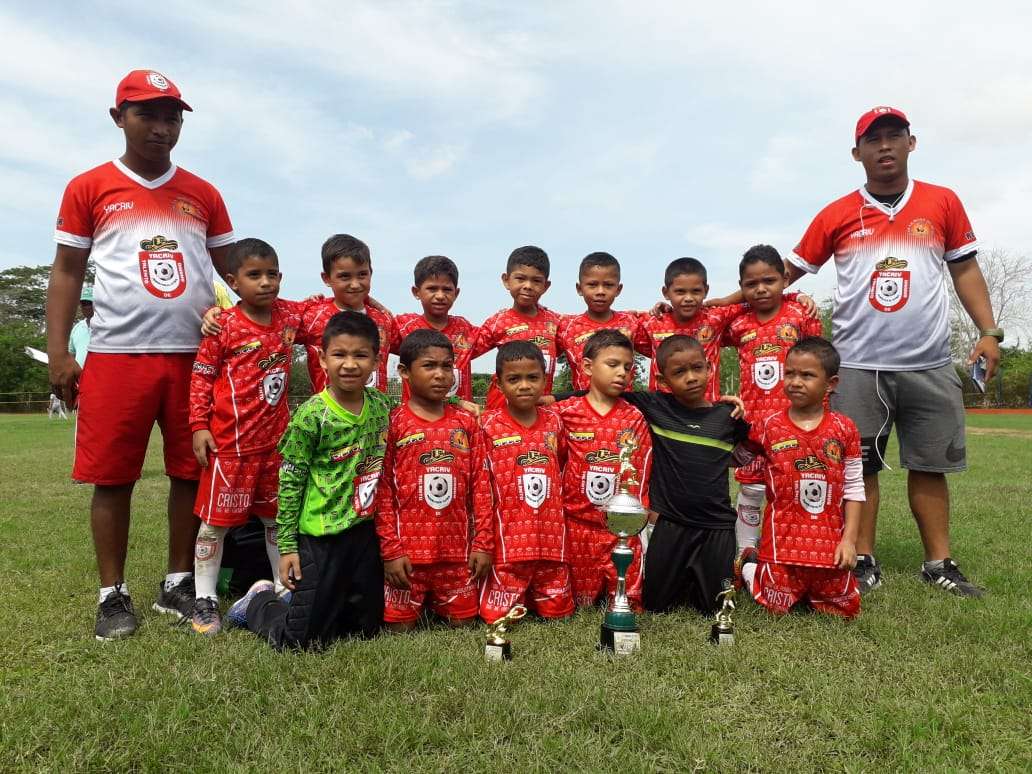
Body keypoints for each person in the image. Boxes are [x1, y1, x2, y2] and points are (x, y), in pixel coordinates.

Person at [45, 69, 235, 640]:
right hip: (116, 355)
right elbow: (66, 271)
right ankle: (113, 594)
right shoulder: (90, 186)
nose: (160, 127)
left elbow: (236, 272)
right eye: (146, 114)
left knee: (190, 472)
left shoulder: (203, 193)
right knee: (113, 477)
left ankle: (178, 582)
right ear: (118, 118)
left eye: (171, 116)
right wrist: (59, 351)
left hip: (194, 358)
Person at [789, 107, 999, 596]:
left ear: (911, 143)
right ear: (856, 152)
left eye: (894, 136)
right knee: (858, 467)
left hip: (927, 362)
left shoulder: (942, 201)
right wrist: (722, 302)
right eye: (873, 139)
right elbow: (788, 271)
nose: (885, 146)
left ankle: (938, 563)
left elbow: (964, 271)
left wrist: (989, 331)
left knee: (929, 465)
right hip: (857, 366)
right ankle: (862, 559)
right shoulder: (837, 212)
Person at [226, 311, 391, 648]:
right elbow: (290, 482)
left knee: (364, 631)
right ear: (322, 358)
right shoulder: (312, 415)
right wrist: (287, 546)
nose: (349, 364)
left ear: (376, 360)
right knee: (299, 642)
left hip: (363, 533)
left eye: (360, 355)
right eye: (339, 355)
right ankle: (258, 600)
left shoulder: (381, 405)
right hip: (320, 536)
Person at [187, 238, 312, 635]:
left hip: (276, 448)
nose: (265, 282)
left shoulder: (290, 318)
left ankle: (283, 588)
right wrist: (199, 426)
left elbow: (328, 309)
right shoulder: (223, 324)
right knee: (214, 526)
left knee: (276, 520)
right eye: (254, 275)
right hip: (231, 447)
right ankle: (205, 599)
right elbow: (202, 377)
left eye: (272, 274)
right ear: (233, 281)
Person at [736, 337, 864, 619]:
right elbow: (738, 456)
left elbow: (854, 488)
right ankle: (749, 564)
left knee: (843, 610)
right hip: (781, 546)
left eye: (807, 375)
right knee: (774, 608)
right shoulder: (768, 426)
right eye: (790, 373)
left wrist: (849, 541)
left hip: (828, 548)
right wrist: (724, 420)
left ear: (831, 384)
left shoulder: (845, 429)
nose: (795, 381)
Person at [376, 330, 493, 631]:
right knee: (398, 629)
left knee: (464, 624)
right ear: (404, 372)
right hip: (407, 559)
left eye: (447, 366)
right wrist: (391, 551)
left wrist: (482, 543)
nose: (441, 375)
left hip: (456, 557)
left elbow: (481, 484)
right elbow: (383, 491)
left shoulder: (466, 423)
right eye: (429, 366)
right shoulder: (393, 423)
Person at [722, 246, 823, 557]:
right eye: (751, 284)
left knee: (793, 485)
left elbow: (818, 364)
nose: (761, 289)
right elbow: (701, 326)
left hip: (794, 422)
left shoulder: (800, 313)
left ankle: (793, 547)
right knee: (751, 488)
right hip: (752, 424)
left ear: (785, 279)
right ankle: (746, 552)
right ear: (741, 289)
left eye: (769, 280)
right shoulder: (737, 322)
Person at [477, 341, 574, 623]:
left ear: (545, 379)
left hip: (551, 541)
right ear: (498, 383)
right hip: (507, 544)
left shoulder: (555, 422)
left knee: (559, 616)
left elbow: (563, 464)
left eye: (533, 378)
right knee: (496, 617)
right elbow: (482, 487)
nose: (524, 386)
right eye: (514, 379)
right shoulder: (487, 425)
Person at [554, 330, 652, 609]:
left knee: (629, 602)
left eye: (628, 367)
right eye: (613, 365)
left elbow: (641, 473)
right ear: (587, 367)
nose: (622, 373)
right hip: (576, 526)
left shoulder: (634, 417)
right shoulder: (565, 413)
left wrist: (635, 520)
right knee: (579, 603)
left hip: (619, 530)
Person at [302, 234, 397, 394]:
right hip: (330, 416)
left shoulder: (384, 319)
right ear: (326, 278)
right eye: (345, 276)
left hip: (376, 416)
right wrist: (306, 305)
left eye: (362, 275)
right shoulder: (312, 317)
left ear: (371, 273)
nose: (355, 284)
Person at [472, 246, 562, 410]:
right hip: (500, 412)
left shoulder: (556, 323)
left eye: (536, 281)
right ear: (506, 280)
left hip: (539, 411)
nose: (528, 286)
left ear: (546, 286)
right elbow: (462, 354)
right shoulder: (498, 322)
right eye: (520, 278)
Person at [391, 256, 479, 402]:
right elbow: (369, 327)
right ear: (416, 292)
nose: (440, 296)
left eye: (447, 289)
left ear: (456, 293)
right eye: (432, 288)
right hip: (415, 419)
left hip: (460, 419)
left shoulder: (466, 330)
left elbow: (500, 333)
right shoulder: (403, 327)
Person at [556, 253, 642, 392]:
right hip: (581, 409)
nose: (600, 291)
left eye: (608, 285)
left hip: (624, 408)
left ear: (618, 289)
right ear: (579, 288)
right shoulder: (566, 326)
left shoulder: (630, 322)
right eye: (592, 285)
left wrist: (665, 309)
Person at [68, 286, 93, 369]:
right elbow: (71, 354)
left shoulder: (107, 327)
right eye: (83, 303)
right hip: (80, 379)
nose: (85, 306)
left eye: (89, 303)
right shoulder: (77, 328)